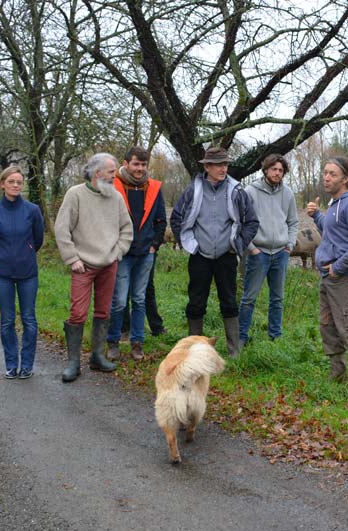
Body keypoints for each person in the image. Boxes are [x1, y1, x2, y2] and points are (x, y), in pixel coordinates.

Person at [170, 146, 259, 357]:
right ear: (207, 167)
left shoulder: (237, 191)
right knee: (196, 303)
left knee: (229, 302)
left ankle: (234, 352)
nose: (223, 168)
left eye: (225, 164)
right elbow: (176, 218)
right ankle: (195, 350)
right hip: (200, 256)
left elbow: (252, 222)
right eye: (218, 164)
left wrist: (237, 244)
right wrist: (188, 243)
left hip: (226, 256)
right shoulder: (193, 190)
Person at [54, 153, 133, 383]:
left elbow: (126, 230)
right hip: (83, 265)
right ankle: (73, 362)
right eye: (111, 171)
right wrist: (72, 258)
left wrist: (118, 252)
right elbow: (62, 229)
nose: (114, 175)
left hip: (109, 264)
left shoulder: (116, 197)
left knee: (103, 311)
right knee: (77, 313)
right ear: (97, 173)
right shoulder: (75, 194)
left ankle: (97, 356)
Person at [305, 156, 348, 381]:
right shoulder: (335, 203)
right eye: (325, 173)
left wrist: (339, 267)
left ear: (346, 178)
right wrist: (317, 216)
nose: (326, 177)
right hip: (328, 277)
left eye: (332, 174)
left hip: (345, 278)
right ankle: (337, 375)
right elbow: (333, 233)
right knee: (329, 327)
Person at [0, 165, 45, 380]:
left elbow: (38, 239)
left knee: (29, 319)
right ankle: (11, 364)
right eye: (11, 182)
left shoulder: (32, 210)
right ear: (2, 184)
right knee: (7, 320)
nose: (16, 185)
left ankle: (27, 364)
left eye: (19, 182)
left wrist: (25, 253)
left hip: (28, 273)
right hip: (2, 274)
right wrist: (2, 257)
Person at [106, 147, 167, 361]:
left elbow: (161, 221)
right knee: (120, 301)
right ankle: (113, 342)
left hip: (145, 253)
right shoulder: (113, 186)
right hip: (122, 253)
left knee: (139, 299)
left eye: (143, 165)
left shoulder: (153, 187)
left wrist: (154, 245)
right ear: (126, 163)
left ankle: (137, 343)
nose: (140, 169)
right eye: (136, 164)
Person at [238, 154, 300, 346]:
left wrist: (289, 244)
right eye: (274, 169)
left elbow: (293, 222)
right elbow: (240, 223)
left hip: (280, 253)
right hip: (259, 253)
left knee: (277, 299)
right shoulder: (250, 191)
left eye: (281, 170)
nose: (277, 173)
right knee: (249, 298)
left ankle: (275, 337)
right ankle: (241, 338)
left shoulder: (288, 193)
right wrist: (251, 248)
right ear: (265, 170)